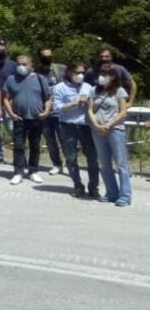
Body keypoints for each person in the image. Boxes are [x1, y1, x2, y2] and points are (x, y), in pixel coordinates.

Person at [3, 55, 52, 185]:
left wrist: (46, 111)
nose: (21, 67)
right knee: (18, 146)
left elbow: (47, 98)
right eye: (19, 64)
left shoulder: (40, 79)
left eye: (24, 64)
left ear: (32, 65)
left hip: (37, 118)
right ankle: (18, 172)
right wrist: (11, 114)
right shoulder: (11, 79)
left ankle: (33, 171)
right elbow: (5, 98)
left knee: (35, 146)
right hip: (19, 118)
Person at [52, 62, 99, 199]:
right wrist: (74, 102)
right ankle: (78, 186)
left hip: (86, 125)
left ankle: (93, 187)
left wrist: (90, 103)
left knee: (92, 157)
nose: (81, 75)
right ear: (69, 73)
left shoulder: (88, 87)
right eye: (78, 73)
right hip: (68, 125)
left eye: (83, 72)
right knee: (71, 158)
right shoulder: (59, 87)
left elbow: (95, 107)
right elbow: (57, 107)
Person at [88, 64, 132, 206]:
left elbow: (122, 112)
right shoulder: (94, 90)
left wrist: (109, 124)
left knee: (121, 164)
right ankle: (111, 192)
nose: (101, 77)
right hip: (98, 131)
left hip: (115, 130)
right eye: (100, 74)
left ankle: (125, 195)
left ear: (112, 77)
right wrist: (96, 125)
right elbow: (90, 110)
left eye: (105, 75)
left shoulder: (119, 91)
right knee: (105, 164)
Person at [35, 48, 65, 175]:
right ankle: (56, 164)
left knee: (65, 139)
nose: (47, 58)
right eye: (44, 56)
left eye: (49, 56)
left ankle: (71, 164)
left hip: (61, 111)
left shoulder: (61, 69)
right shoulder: (36, 72)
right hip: (45, 112)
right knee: (50, 140)